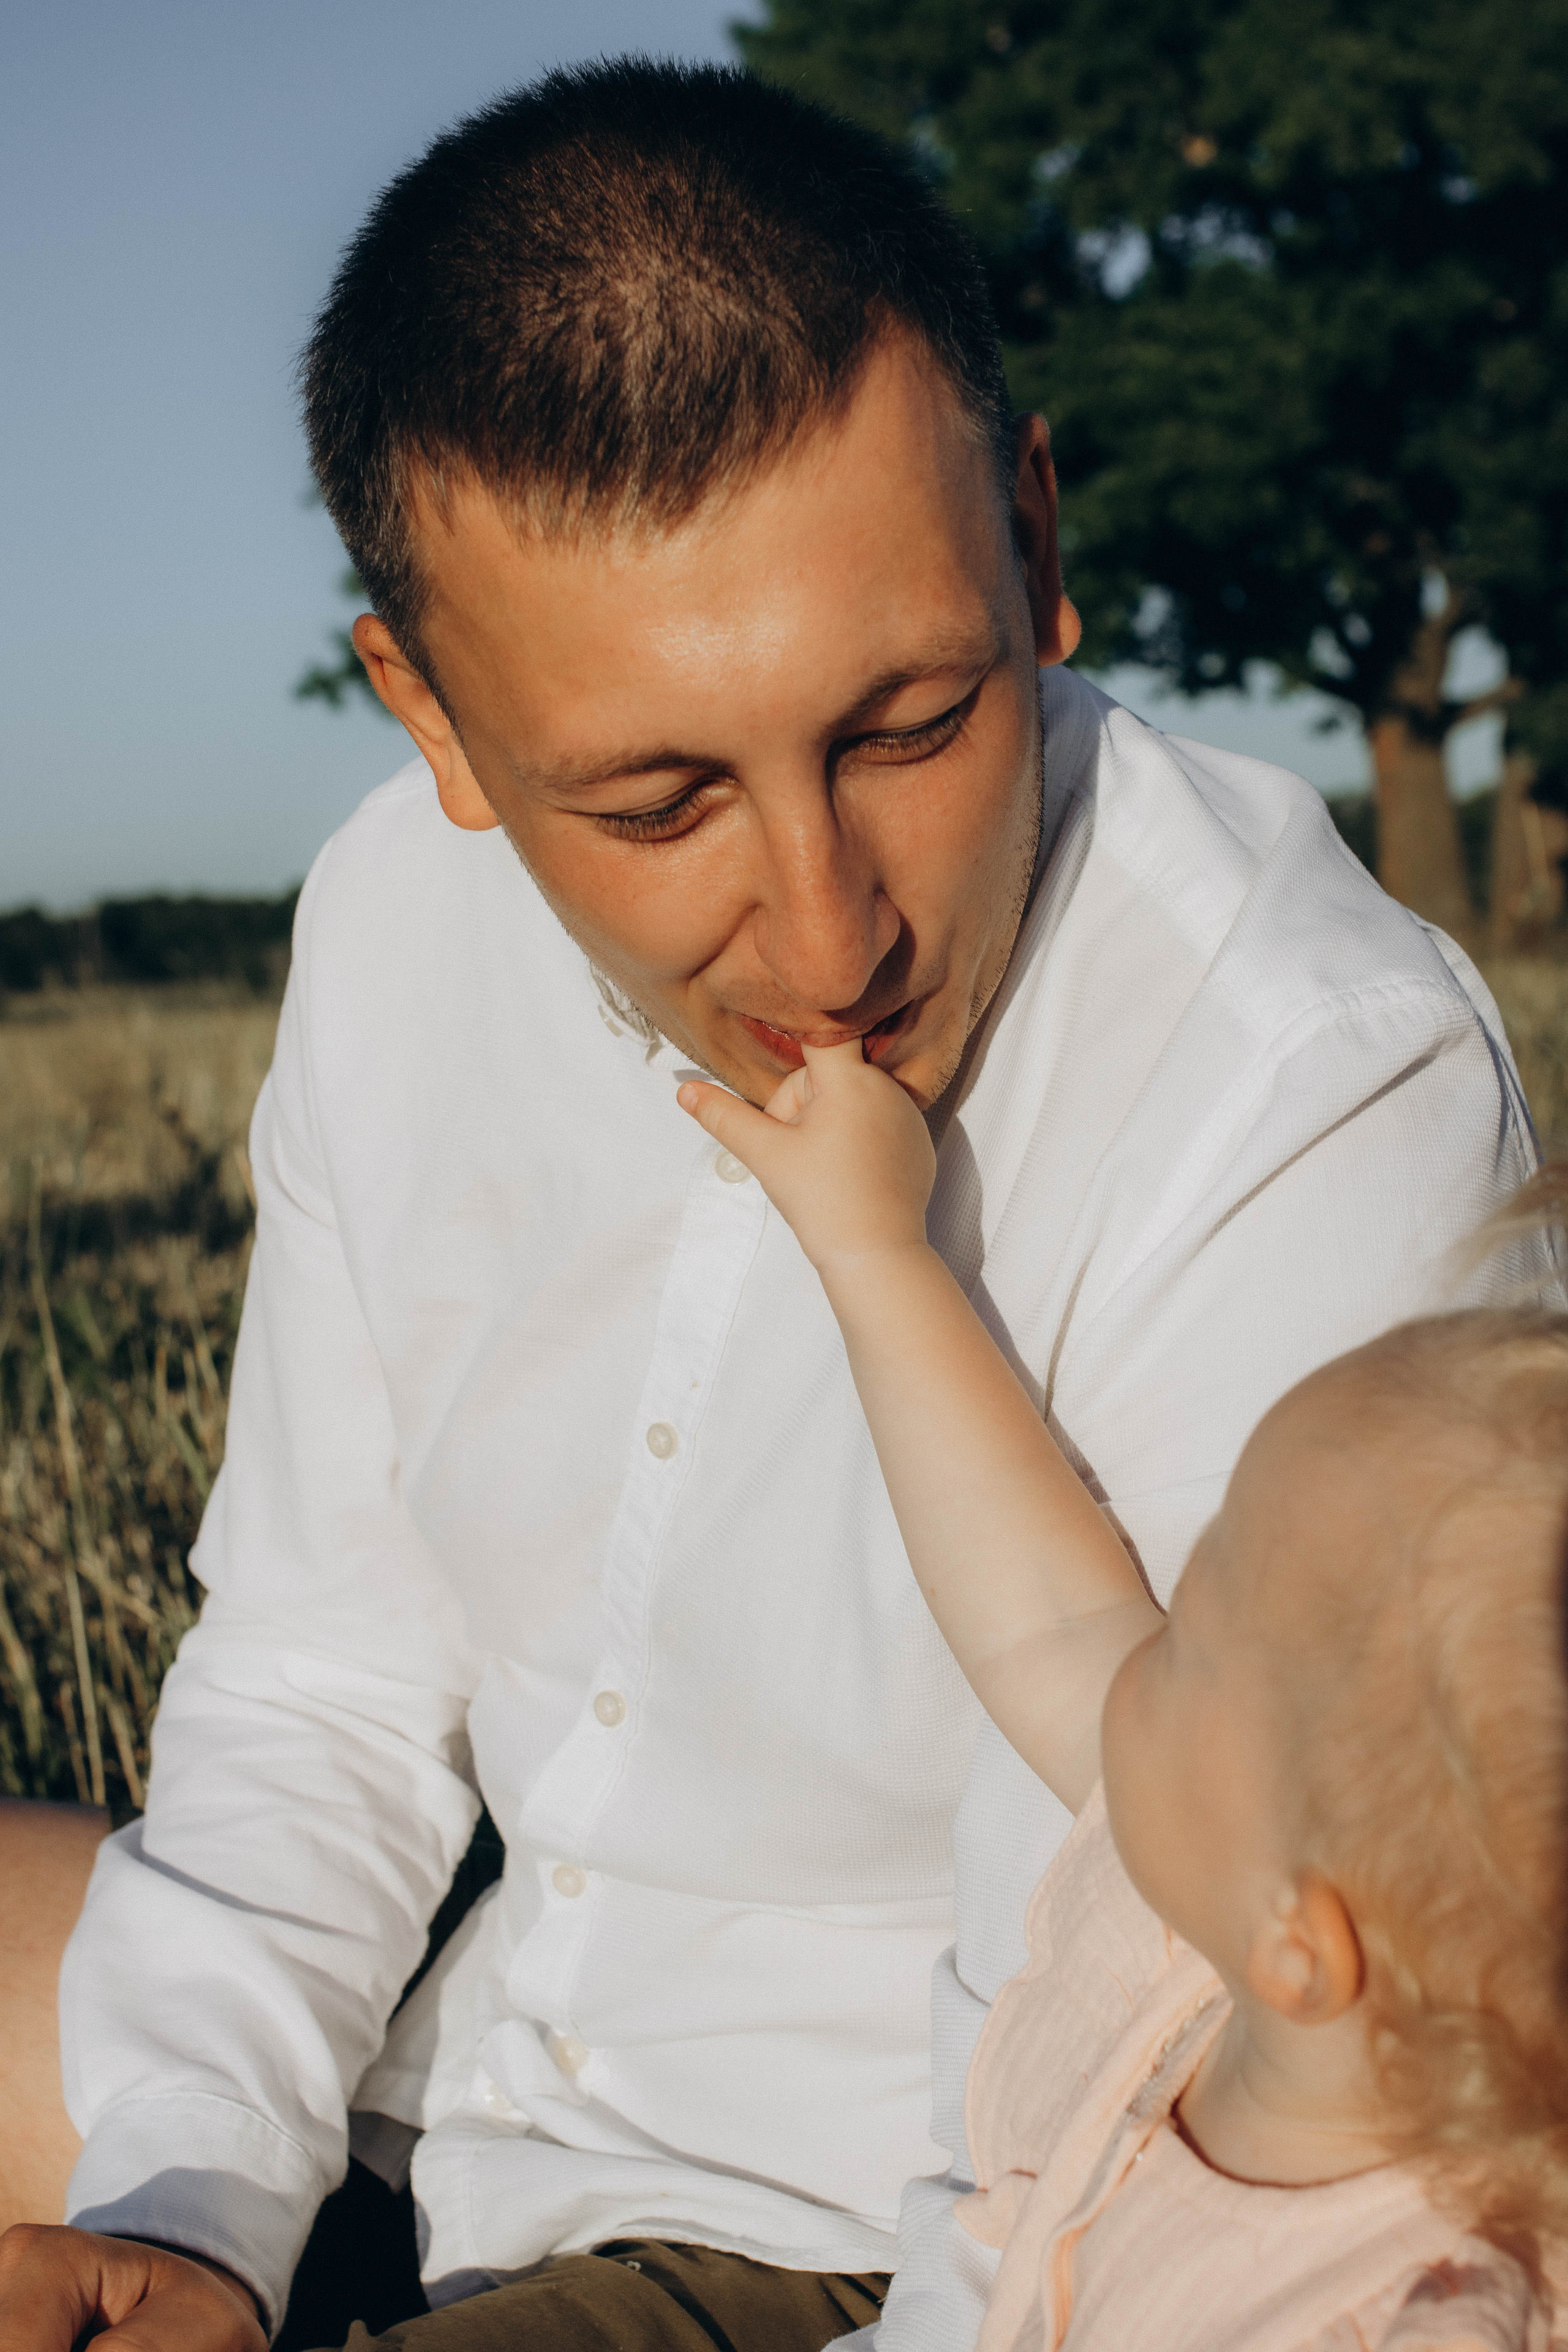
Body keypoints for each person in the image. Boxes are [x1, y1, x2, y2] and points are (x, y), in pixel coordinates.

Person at [0, 55, 1540, 2352]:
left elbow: (1110, 2026)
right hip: (473, 2051)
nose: (830, 943)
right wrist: (194, 2203)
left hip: (865, 2235)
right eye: (654, 804)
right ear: (429, 716)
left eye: (907, 726)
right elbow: (323, 1665)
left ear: (1035, 540)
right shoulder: (385, 923)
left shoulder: (1322, 1087)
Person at [677, 1049, 1568, 2348]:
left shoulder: (1417, 2319)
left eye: (1192, 1632)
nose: (1141, 1629)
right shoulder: (1211, 1955)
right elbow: (1047, 1612)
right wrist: (874, 1252)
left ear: (1302, 1943)